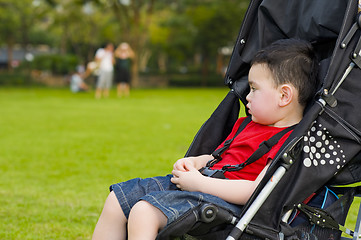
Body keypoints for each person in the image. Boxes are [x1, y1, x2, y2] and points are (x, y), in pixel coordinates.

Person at [91, 38, 319, 240]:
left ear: (284, 95)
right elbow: (219, 157)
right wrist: (197, 162)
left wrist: (200, 183)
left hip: (231, 205)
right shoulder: (246, 125)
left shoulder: (290, 142)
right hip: (202, 183)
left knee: (144, 212)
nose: (247, 97)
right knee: (116, 200)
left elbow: (257, 190)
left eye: (253, 89)